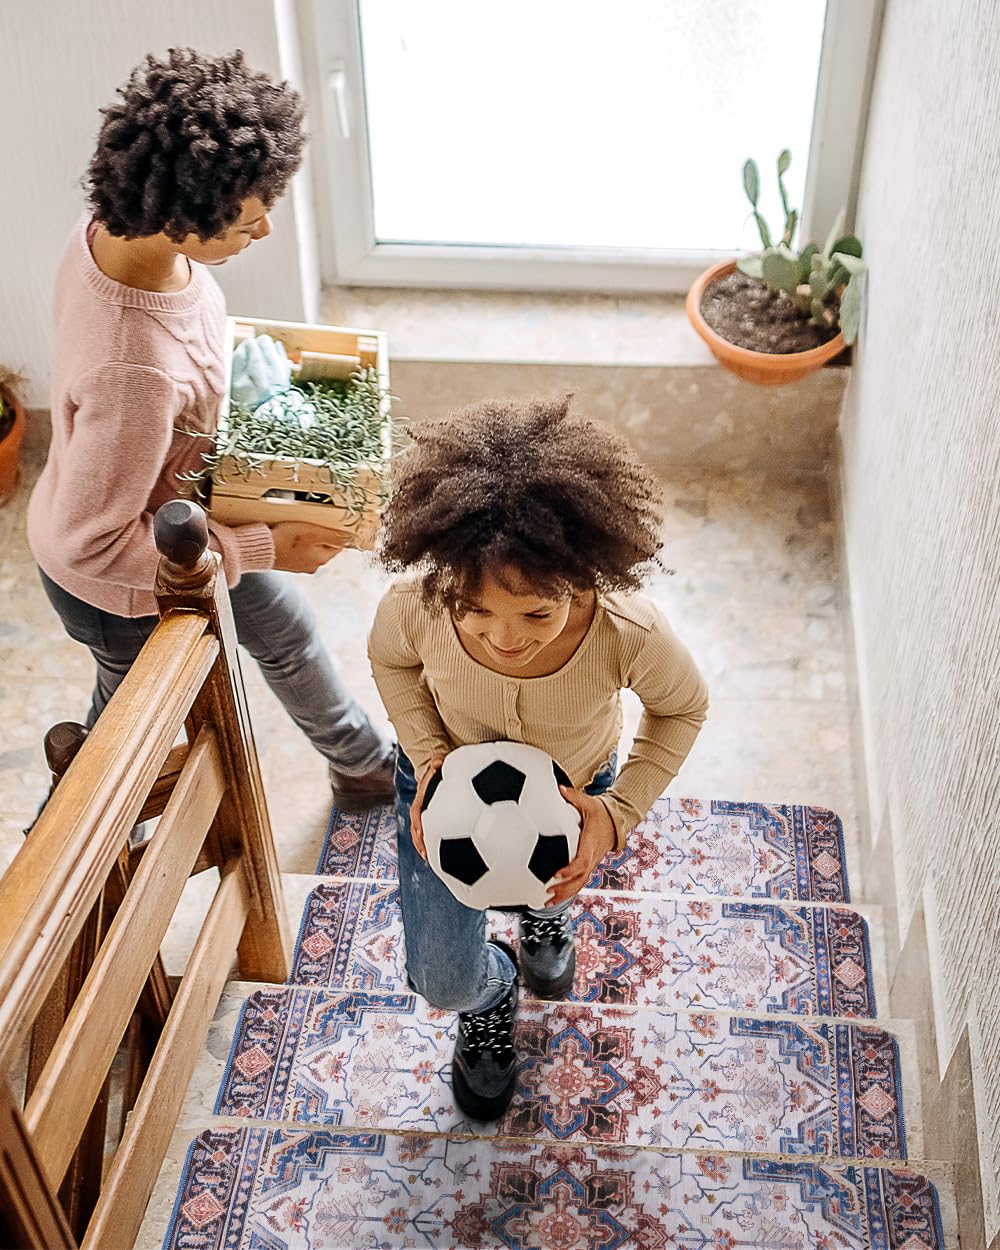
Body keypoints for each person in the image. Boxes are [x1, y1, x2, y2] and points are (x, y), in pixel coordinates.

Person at [27, 48, 394, 812]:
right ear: (176, 215)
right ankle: (67, 848)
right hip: (122, 583)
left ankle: (362, 765)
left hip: (200, 514)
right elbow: (87, 542)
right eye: (248, 217)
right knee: (133, 730)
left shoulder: (108, 229)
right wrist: (264, 546)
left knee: (284, 633)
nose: (264, 228)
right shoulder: (135, 372)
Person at [368, 396, 709, 1119]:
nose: (504, 638)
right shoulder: (415, 606)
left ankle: (544, 916)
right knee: (439, 979)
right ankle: (491, 995)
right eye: (477, 610)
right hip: (435, 792)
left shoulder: (628, 633)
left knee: (552, 871)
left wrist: (615, 816)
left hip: (573, 792)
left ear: (584, 578)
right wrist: (428, 757)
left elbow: (683, 707)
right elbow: (392, 664)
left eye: (536, 614)